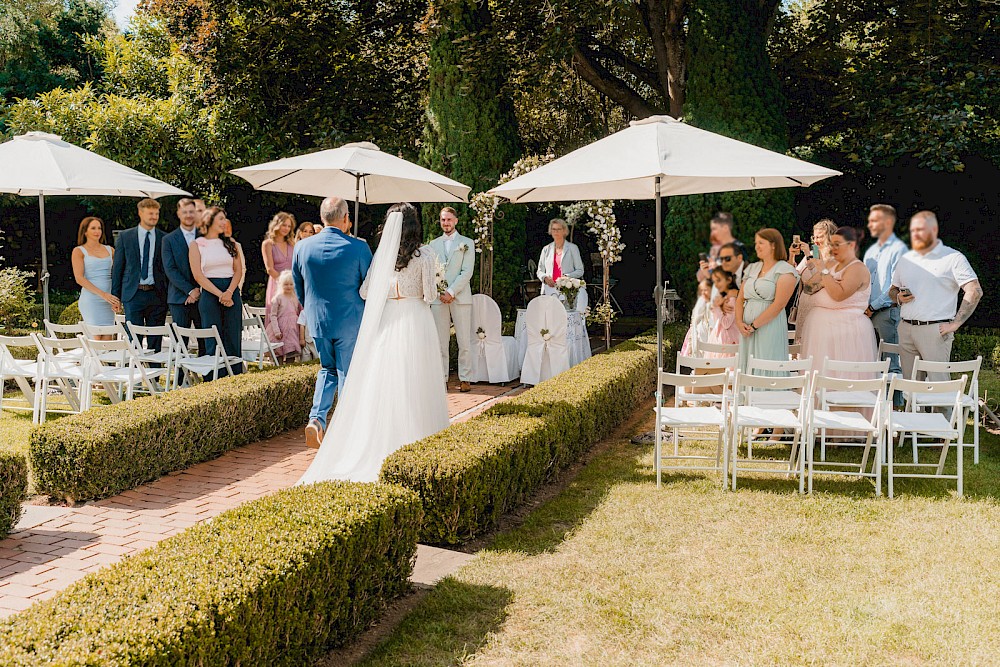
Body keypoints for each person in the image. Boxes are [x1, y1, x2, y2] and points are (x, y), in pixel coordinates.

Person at [298, 204, 449, 484]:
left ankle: (385, 437)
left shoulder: (382, 255)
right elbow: (430, 295)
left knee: (387, 381)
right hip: (416, 318)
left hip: (388, 319)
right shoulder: (426, 254)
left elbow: (366, 291)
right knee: (418, 379)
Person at [293, 196, 372, 448]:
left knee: (327, 369)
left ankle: (316, 420)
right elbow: (367, 286)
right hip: (349, 319)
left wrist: (313, 309)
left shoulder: (302, 248)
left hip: (318, 320)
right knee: (348, 371)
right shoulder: (359, 248)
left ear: (322, 219)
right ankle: (346, 428)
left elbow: (299, 287)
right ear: (346, 219)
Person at [890, 211, 982, 381]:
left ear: (933, 229)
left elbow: (974, 290)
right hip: (906, 329)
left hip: (935, 331)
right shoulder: (906, 259)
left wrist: (956, 323)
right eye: (913, 230)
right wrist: (898, 298)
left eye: (920, 229)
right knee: (909, 389)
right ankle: (912, 409)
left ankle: (943, 409)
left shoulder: (953, 258)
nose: (915, 234)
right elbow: (892, 290)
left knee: (939, 388)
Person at [798, 227, 878, 376]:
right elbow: (808, 288)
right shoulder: (830, 265)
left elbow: (838, 295)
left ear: (851, 245)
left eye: (837, 244)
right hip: (820, 329)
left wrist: (824, 275)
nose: (832, 248)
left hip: (846, 330)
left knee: (842, 376)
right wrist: (830, 280)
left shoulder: (857, 268)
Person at [189, 207, 244, 377]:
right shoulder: (196, 244)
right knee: (212, 338)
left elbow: (238, 271)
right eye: (220, 218)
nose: (224, 222)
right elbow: (198, 275)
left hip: (231, 292)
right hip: (210, 294)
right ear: (209, 220)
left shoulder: (231, 243)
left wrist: (228, 292)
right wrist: (219, 294)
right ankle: (214, 379)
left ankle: (235, 377)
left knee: (233, 336)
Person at [736, 229, 798, 373]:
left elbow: (779, 305)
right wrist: (739, 323)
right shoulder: (752, 268)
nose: (757, 246)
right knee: (747, 366)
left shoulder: (785, 270)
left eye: (761, 243)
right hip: (746, 330)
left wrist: (754, 326)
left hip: (769, 327)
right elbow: (740, 298)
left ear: (773, 245)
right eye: (756, 243)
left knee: (766, 362)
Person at [430, 206, 476, 392]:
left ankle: (465, 378)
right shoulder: (432, 245)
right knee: (440, 341)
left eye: (449, 219)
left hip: (460, 297)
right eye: (443, 220)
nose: (446, 223)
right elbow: (431, 271)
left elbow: (467, 272)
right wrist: (440, 291)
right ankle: (442, 378)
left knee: (464, 340)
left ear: (455, 221)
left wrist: (451, 291)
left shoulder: (467, 243)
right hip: (438, 298)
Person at [112, 198, 168, 352]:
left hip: (157, 294)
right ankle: (135, 373)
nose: (154, 217)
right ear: (140, 213)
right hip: (133, 294)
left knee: (155, 341)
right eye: (150, 213)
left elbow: (168, 269)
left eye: (156, 214)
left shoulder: (164, 238)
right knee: (134, 338)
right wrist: (115, 296)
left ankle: (154, 376)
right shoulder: (126, 236)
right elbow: (118, 268)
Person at [864, 204, 907, 400]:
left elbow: (894, 286)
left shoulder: (899, 250)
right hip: (866, 313)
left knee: (891, 362)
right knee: (871, 362)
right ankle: (875, 405)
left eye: (875, 220)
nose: (870, 224)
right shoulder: (871, 250)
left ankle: (895, 410)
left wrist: (873, 306)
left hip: (885, 313)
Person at [161, 198, 203, 350]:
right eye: (185, 212)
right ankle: (180, 374)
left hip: (204, 296)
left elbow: (208, 266)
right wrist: (190, 291)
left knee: (204, 339)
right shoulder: (168, 240)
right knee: (180, 343)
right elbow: (170, 269)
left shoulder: (205, 236)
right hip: (179, 298)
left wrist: (199, 289)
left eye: (191, 212)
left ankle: (208, 373)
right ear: (178, 213)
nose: (188, 215)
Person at [788, 218, 838, 341]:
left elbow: (819, 279)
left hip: (821, 312)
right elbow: (792, 277)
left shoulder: (834, 258)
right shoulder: (811, 254)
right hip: (804, 308)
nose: (816, 241)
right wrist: (792, 255)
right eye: (814, 237)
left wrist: (809, 256)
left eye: (820, 237)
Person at [72, 216, 120, 337]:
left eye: (99, 228)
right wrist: (102, 294)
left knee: (108, 338)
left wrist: (116, 298)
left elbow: (117, 276)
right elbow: (79, 278)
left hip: (109, 300)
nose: (97, 231)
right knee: (95, 338)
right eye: (93, 228)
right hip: (91, 300)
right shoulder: (79, 251)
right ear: (85, 231)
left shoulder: (111, 250)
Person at [536, 218, 588, 311]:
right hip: (549, 290)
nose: (556, 232)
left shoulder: (572, 248)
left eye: (558, 229)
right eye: (553, 229)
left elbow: (580, 270)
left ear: (564, 231)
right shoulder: (546, 249)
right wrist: (545, 278)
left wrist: (566, 277)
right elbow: (539, 270)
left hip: (567, 291)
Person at [262, 212, 296, 316]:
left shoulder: (292, 244)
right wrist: (283, 284)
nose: (286, 228)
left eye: (289, 226)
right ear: (277, 224)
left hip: (292, 285)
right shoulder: (268, 244)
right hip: (277, 285)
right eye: (284, 225)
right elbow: (270, 269)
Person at [265, 270, 302, 362]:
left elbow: (296, 312)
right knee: (279, 350)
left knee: (291, 347)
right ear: (281, 285)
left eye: (291, 284)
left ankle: (290, 367)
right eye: (286, 284)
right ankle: (279, 367)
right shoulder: (278, 298)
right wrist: (276, 331)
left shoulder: (295, 297)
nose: (288, 286)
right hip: (280, 328)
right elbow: (273, 316)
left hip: (292, 329)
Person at [706, 267, 739, 356]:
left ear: (729, 280)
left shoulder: (732, 300)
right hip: (720, 338)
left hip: (728, 341)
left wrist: (717, 308)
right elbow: (718, 319)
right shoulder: (723, 298)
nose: (716, 284)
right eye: (714, 282)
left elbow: (726, 323)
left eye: (719, 280)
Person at [697, 212, 740, 282]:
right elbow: (700, 278)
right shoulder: (715, 249)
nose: (712, 233)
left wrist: (716, 266)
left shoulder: (738, 247)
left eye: (714, 229)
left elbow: (734, 278)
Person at [680, 279, 712, 356]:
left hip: (708, 337)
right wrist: (691, 343)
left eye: (706, 290)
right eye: (701, 290)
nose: (703, 293)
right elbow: (693, 321)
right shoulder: (699, 305)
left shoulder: (713, 305)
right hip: (697, 336)